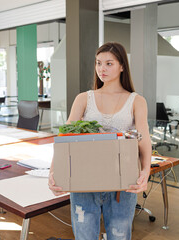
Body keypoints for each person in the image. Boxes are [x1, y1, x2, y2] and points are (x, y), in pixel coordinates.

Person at [48, 42, 151, 239]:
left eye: (109, 64)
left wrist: (145, 172)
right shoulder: (83, 99)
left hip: (123, 183)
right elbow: (65, 138)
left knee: (120, 236)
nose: (101, 69)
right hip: (83, 180)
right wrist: (54, 172)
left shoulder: (136, 101)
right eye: (98, 63)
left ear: (122, 66)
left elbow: (143, 139)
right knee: (84, 236)